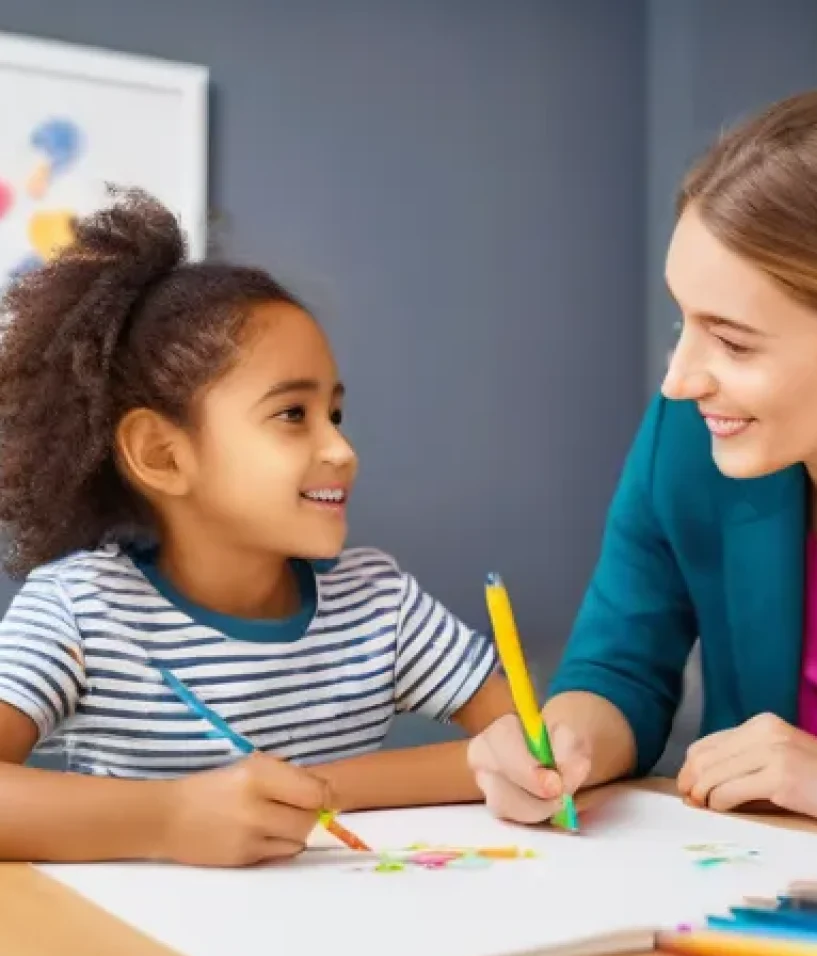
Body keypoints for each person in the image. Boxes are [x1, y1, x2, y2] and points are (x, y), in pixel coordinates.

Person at [468, 88, 817, 850]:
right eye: (682, 322)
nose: (680, 379)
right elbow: (619, 671)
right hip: (757, 918)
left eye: (733, 343)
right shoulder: (690, 442)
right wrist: (565, 744)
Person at [0, 189, 513, 866]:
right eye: (292, 415)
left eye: (335, 413)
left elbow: (516, 739)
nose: (342, 450)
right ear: (163, 454)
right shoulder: (79, 609)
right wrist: (172, 818)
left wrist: (320, 791)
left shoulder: (379, 601)